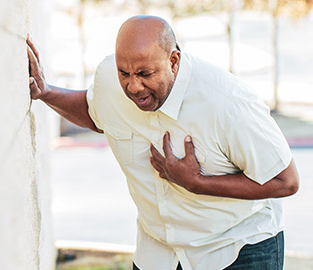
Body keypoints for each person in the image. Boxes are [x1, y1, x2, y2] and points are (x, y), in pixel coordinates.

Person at [27, 15, 299, 270]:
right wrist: (46, 92)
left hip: (237, 247)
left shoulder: (228, 104)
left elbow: (285, 181)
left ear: (174, 61)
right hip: (158, 254)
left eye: (145, 74)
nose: (133, 86)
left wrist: (197, 183)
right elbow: (94, 111)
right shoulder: (110, 81)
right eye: (125, 73)